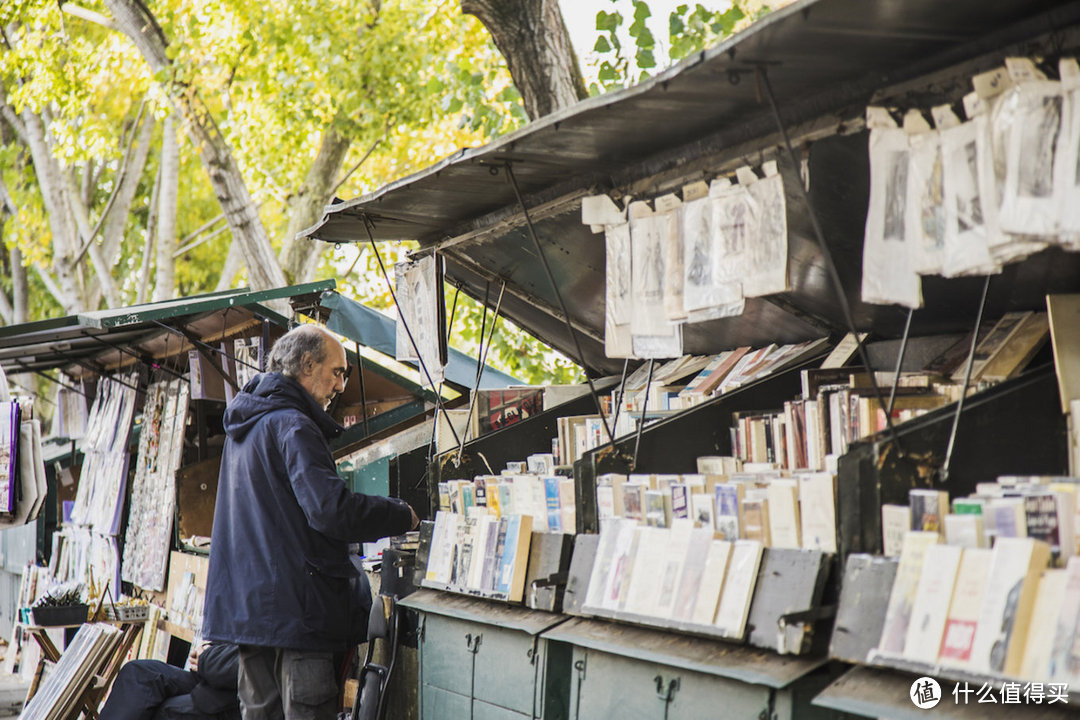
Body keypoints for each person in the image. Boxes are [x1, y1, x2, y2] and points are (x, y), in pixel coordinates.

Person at [202, 324, 419, 719]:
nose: (341, 385)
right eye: (337, 372)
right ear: (306, 365)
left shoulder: (248, 425)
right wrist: (401, 514)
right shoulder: (293, 425)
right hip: (297, 613)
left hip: (252, 614)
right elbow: (330, 510)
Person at [99, 642, 239, 720]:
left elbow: (256, 664)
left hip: (240, 693)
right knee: (138, 672)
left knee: (168, 711)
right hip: (218, 673)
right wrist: (210, 649)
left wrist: (210, 657)